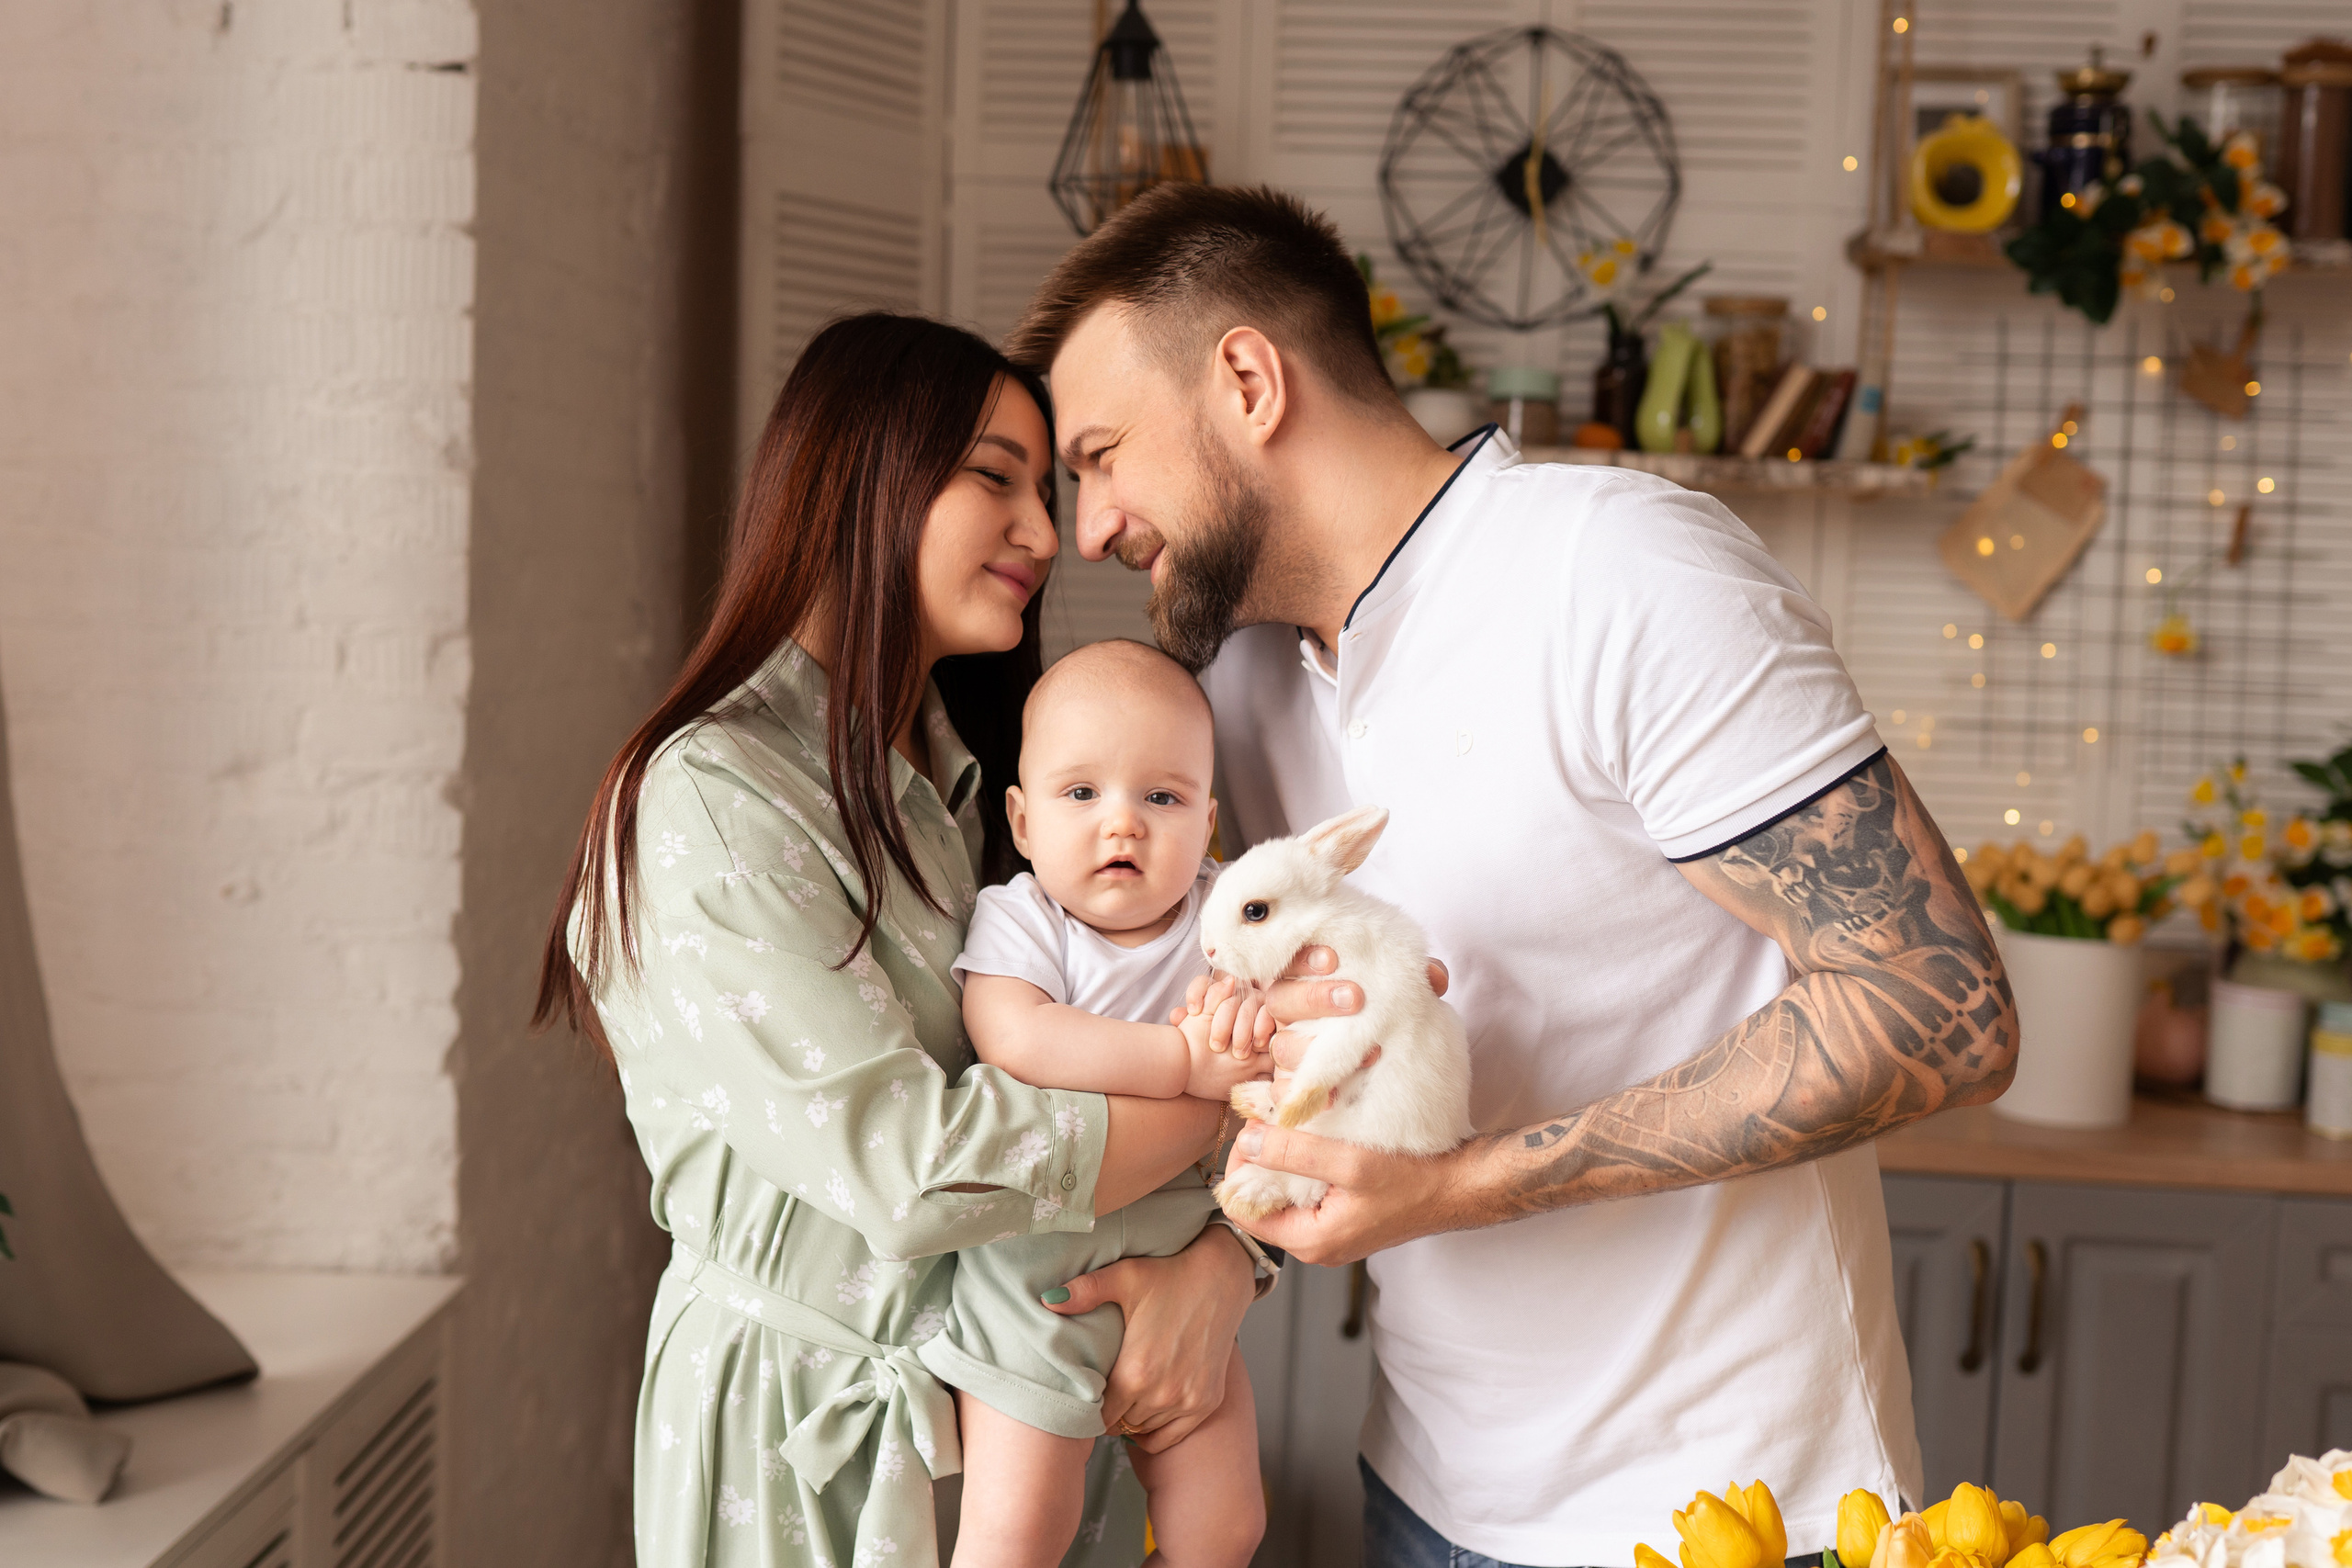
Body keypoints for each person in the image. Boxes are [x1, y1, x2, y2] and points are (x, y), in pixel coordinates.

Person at [1007, 186, 2020, 1568]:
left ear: (1247, 380)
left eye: (1104, 455)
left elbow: (1938, 1003)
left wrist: (1468, 1184)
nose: (1088, 524)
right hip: (1424, 1482)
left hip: (1737, 1512)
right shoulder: (1231, 690)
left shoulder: (1619, 569)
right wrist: (1221, 1254)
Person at [532, 312, 1272, 1568]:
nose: (1047, 532)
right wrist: (1224, 1089)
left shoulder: (971, 778)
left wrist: (1222, 1256)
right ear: (855, 477)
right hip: (803, 1435)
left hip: (1010, 1378)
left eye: (1050, 487)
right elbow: (909, 1166)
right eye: (997, 477)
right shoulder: (713, 792)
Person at [938, 637, 1271, 1566]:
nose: (1120, 825)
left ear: (1206, 818)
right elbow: (1019, 1038)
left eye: (1160, 798)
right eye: (1080, 794)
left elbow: (1273, 1028)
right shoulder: (1023, 917)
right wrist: (1182, 1060)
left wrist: (1248, 1021)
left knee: (1224, 1524)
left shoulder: (1222, 918)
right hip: (1038, 1272)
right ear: (1024, 817)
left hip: (1183, 1238)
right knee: (1018, 1535)